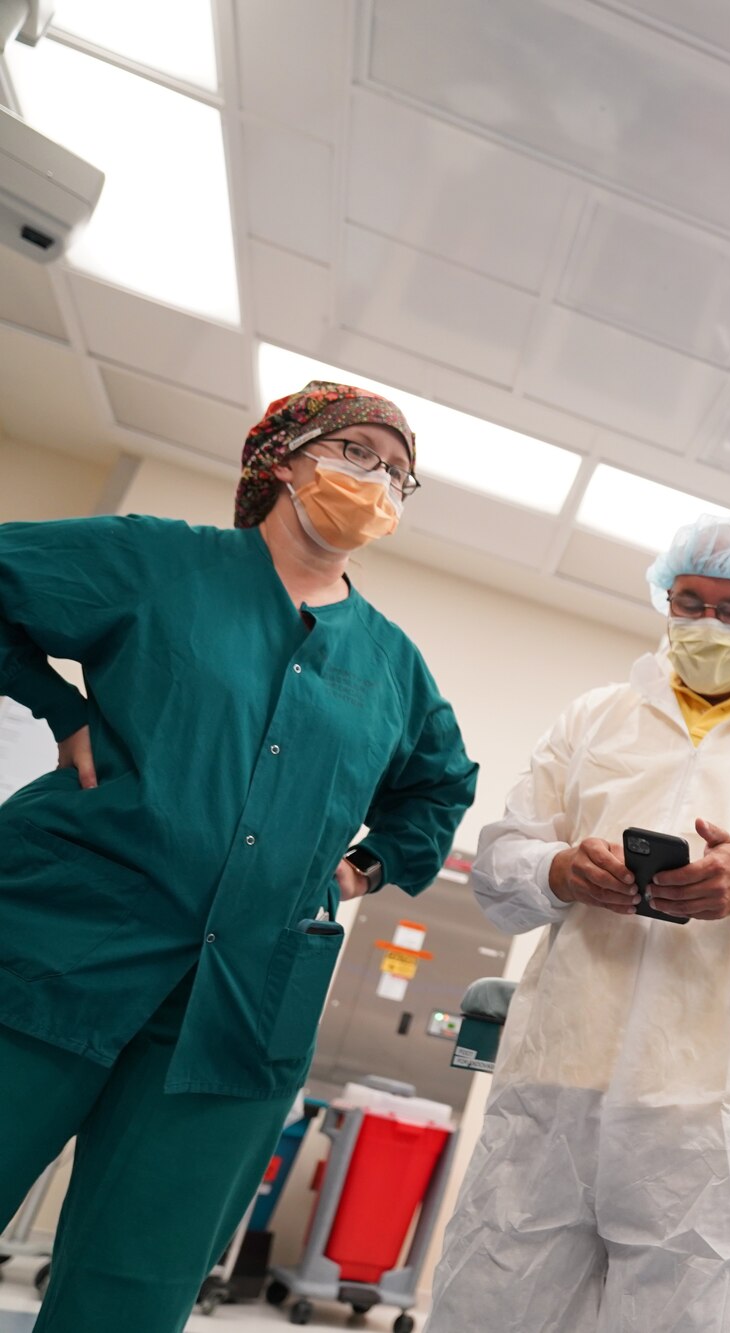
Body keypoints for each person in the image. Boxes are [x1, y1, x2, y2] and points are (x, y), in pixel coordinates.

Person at [0, 381, 478, 1331]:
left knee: (135, 1288)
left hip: (242, 1002)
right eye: (357, 453)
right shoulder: (158, 561)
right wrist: (60, 709)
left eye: (398, 472)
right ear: (283, 460)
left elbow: (440, 783)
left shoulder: (391, 664)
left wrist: (369, 864)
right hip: (60, 943)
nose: (378, 480)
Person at [429, 513, 730, 1333]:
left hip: (722, 1113)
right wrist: (559, 870)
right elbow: (498, 867)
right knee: (494, 1300)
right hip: (560, 1085)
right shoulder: (596, 719)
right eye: (688, 601)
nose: (706, 624)